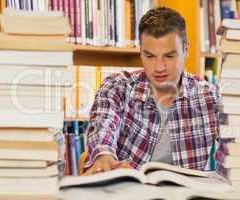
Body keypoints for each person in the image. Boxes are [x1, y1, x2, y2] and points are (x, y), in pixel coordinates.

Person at [83, 6, 221, 175]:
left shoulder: (209, 96)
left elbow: (237, 145)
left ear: (186, 50)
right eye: (150, 56)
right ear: (140, 52)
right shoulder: (117, 87)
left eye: (169, 56)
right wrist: (103, 154)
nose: (159, 67)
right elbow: (103, 122)